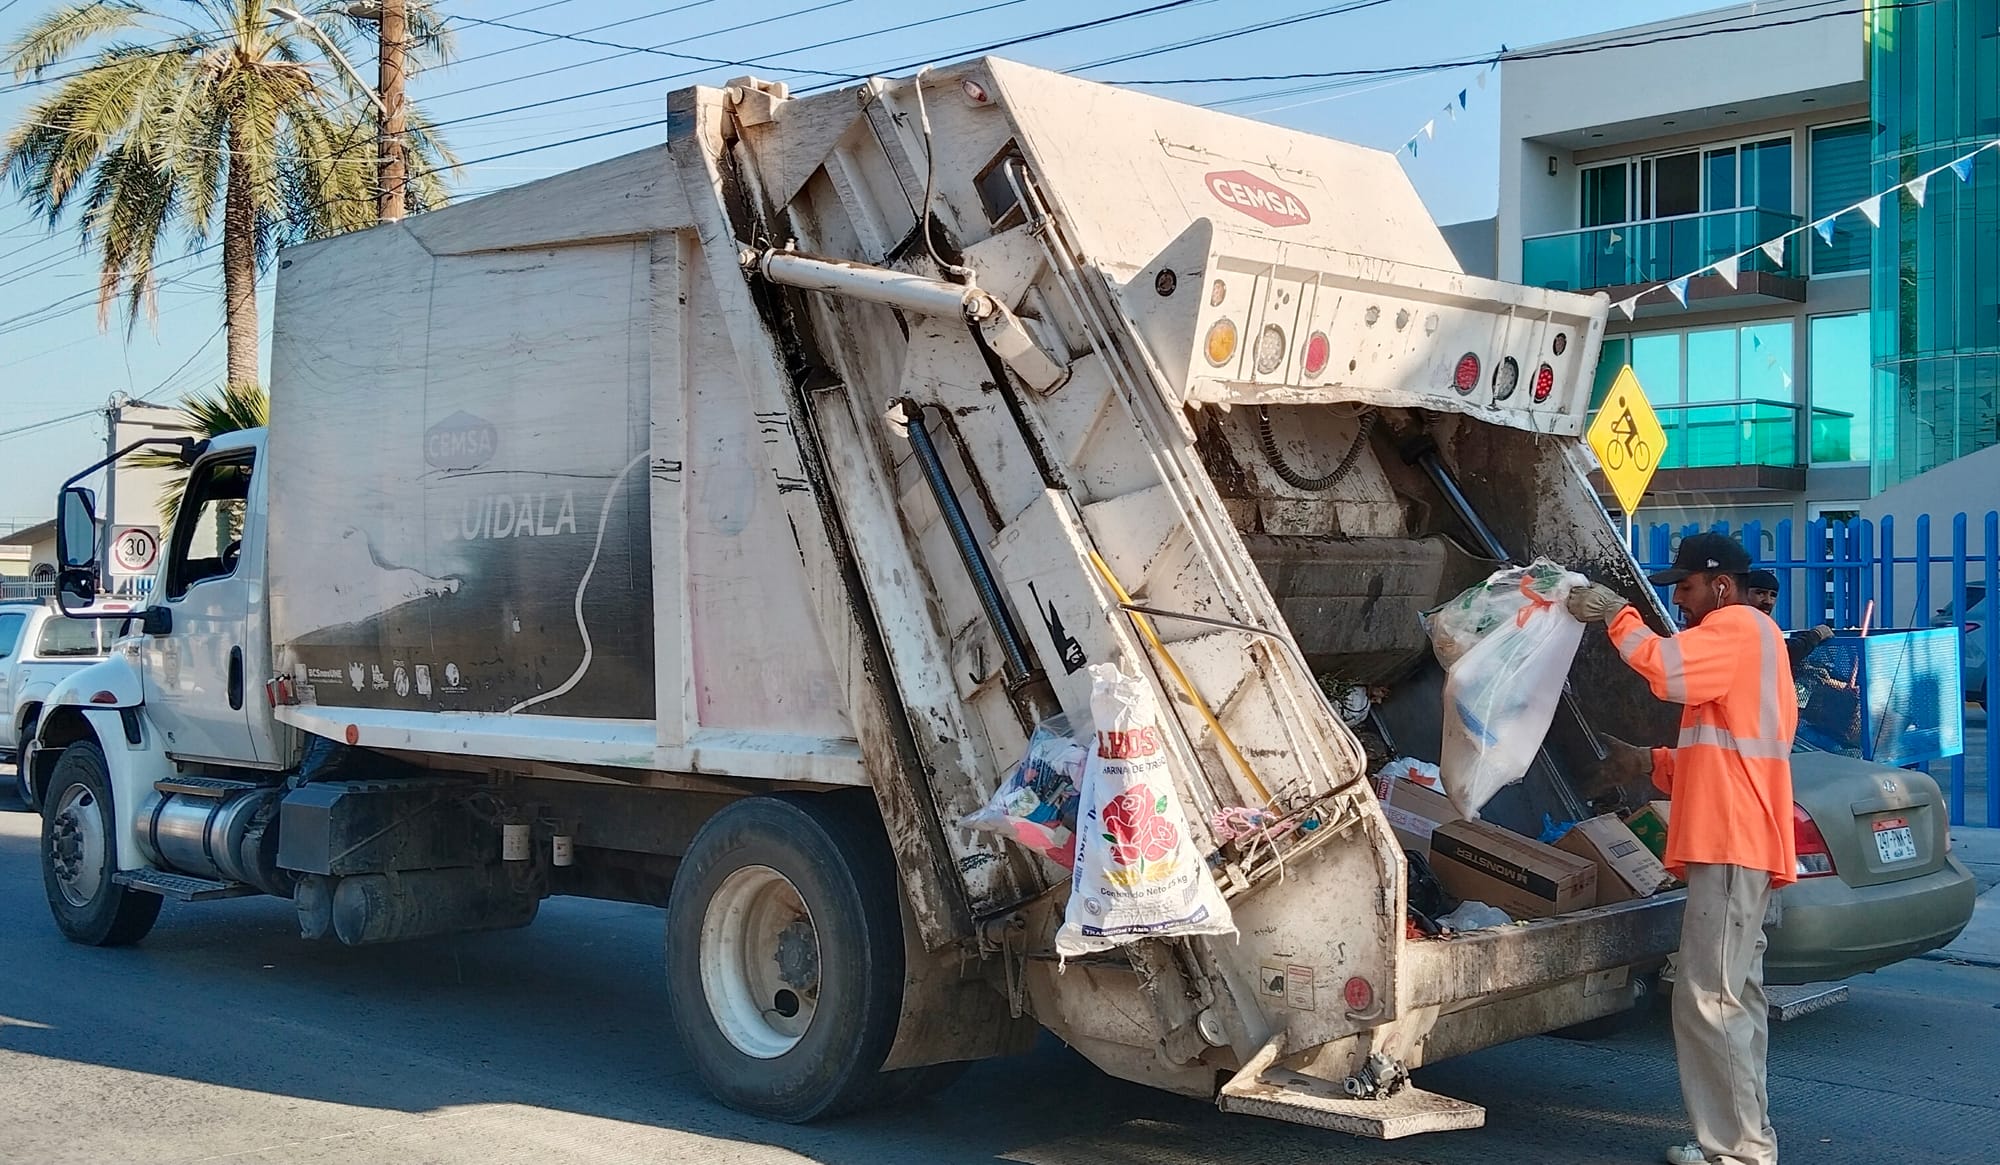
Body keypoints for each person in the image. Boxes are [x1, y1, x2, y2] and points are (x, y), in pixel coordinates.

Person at [1566, 532, 1798, 1165]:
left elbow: (1663, 667)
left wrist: (1617, 613)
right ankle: (1745, 1143)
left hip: (1731, 843)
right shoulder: (1754, 641)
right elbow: (1719, 751)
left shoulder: (1736, 627)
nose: (1682, 604)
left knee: (1710, 999)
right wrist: (1647, 761)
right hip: (1742, 841)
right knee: (1736, 998)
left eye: (1687, 589)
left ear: (1720, 586)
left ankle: (1737, 1153)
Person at [1743, 568, 1834, 674]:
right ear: (1743, 593)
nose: (1768, 601)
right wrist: (1815, 636)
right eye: (1760, 593)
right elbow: (1783, 655)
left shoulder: (1763, 626)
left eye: (1773, 595)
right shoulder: (1738, 624)